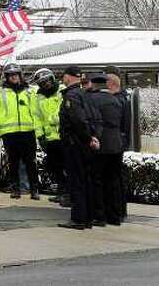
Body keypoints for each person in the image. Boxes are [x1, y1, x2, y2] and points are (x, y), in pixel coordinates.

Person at [0, 63, 40, 200]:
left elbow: (37, 110)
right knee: (13, 162)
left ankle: (34, 189)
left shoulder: (30, 91)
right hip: (9, 132)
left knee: (30, 162)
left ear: (20, 75)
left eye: (16, 75)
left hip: (28, 131)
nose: (14, 77)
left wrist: (39, 130)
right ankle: (16, 189)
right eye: (11, 75)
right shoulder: (0, 92)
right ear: (7, 77)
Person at [58, 65, 100, 229]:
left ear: (68, 77)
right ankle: (88, 218)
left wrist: (87, 137)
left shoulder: (72, 95)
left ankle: (78, 219)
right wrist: (93, 136)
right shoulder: (85, 93)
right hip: (85, 144)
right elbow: (94, 118)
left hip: (75, 144)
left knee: (77, 181)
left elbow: (77, 120)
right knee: (86, 181)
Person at [84, 71, 127, 226]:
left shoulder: (91, 100)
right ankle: (115, 216)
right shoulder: (116, 100)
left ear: (94, 84)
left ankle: (99, 216)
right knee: (113, 181)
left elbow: (89, 122)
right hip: (116, 144)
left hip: (100, 144)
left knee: (97, 180)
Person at [31, 69, 64, 202]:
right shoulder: (38, 97)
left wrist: (54, 120)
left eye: (48, 81)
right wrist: (40, 136)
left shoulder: (62, 91)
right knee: (55, 167)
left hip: (64, 137)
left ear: (52, 79)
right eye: (42, 83)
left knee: (67, 167)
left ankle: (70, 193)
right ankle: (62, 192)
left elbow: (64, 111)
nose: (46, 84)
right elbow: (37, 118)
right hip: (50, 139)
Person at [105, 66, 130, 221]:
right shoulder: (123, 98)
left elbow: (121, 124)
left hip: (115, 145)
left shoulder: (118, 99)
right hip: (118, 143)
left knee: (113, 179)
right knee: (117, 178)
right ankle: (119, 210)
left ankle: (116, 211)